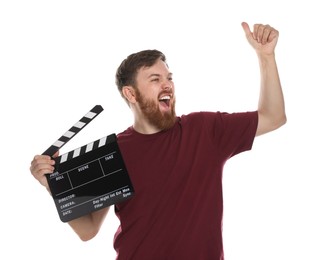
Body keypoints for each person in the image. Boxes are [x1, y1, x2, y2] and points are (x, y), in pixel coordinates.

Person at [30, 22, 286, 260]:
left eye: (169, 78)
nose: (168, 85)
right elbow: (88, 230)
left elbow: (273, 117)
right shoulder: (113, 152)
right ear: (131, 93)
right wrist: (53, 185)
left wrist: (266, 57)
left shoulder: (205, 130)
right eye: (155, 79)